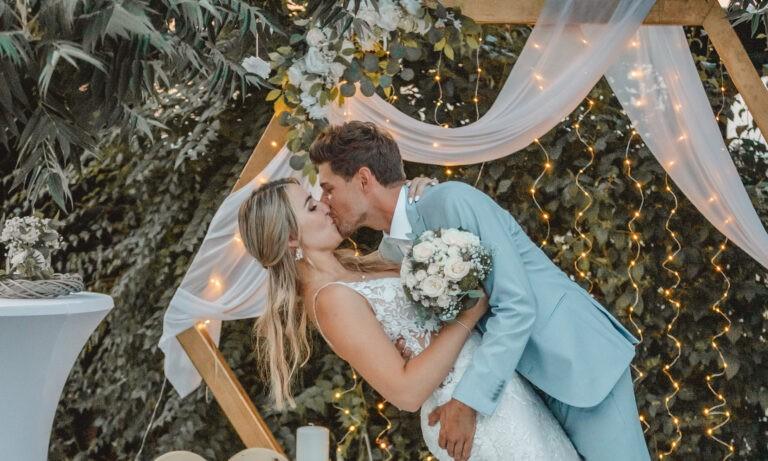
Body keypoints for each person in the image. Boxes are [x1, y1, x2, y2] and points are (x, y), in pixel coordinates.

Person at [306, 120, 651, 461]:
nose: (325, 201)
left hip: (573, 359)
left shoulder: (451, 200)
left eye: (328, 188)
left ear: (364, 179)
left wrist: (468, 400)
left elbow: (515, 304)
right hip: (519, 392)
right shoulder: (390, 253)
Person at [237, 177, 580, 460]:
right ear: (290, 238)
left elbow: (418, 259)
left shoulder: (359, 267)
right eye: (312, 207)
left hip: (494, 389)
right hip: (462, 414)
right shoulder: (330, 300)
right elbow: (406, 392)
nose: (326, 206)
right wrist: (467, 317)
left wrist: (417, 197)